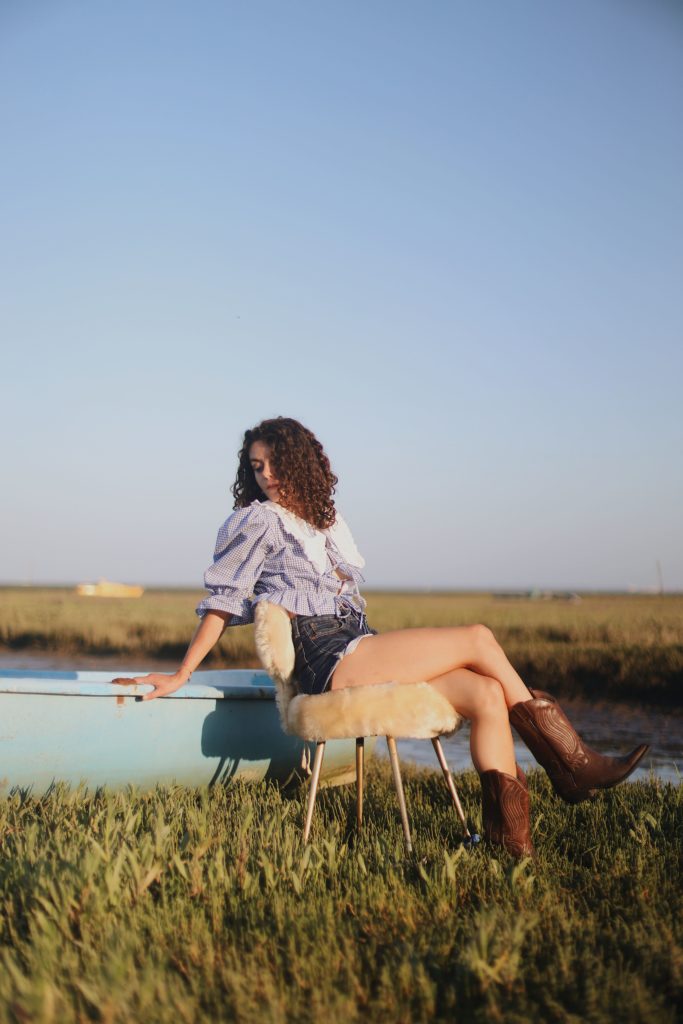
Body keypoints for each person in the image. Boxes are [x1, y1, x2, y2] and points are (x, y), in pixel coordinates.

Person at [128, 416, 648, 857]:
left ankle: (508, 846)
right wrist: (183, 672)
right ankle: (572, 765)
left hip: (359, 641)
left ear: (298, 462)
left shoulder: (326, 523)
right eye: (256, 465)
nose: (263, 475)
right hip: (328, 658)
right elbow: (224, 598)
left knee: (487, 693)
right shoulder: (259, 522)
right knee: (479, 637)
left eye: (272, 463)